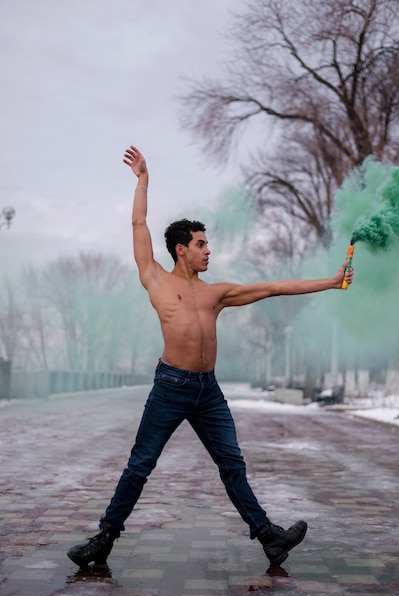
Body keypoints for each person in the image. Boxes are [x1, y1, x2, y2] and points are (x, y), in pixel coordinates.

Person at [67, 145, 354, 569]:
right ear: (181, 249)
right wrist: (144, 180)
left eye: (208, 244)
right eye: (201, 244)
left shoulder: (215, 293)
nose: (208, 250)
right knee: (140, 465)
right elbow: (139, 223)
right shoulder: (155, 279)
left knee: (232, 464)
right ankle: (105, 538)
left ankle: (269, 538)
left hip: (208, 391)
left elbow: (272, 287)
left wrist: (330, 283)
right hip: (170, 387)